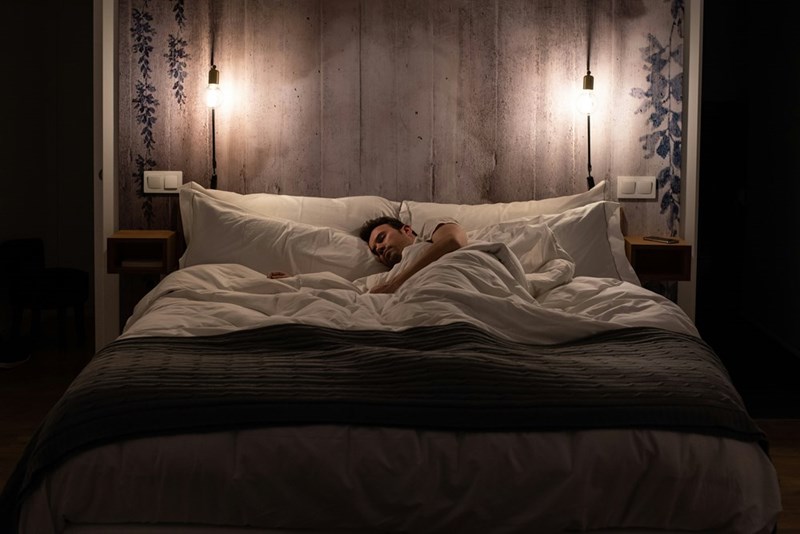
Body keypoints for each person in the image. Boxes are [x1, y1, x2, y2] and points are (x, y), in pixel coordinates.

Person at [358, 216, 467, 294]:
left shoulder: (429, 232)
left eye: (381, 238)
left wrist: (395, 284)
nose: (379, 248)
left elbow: (453, 241)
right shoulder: (386, 278)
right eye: (376, 251)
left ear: (406, 230)